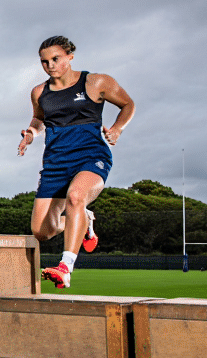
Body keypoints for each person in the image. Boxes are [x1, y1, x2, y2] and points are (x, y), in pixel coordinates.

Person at [18, 35, 134, 289]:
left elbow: (127, 104)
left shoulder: (96, 82)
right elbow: (39, 119)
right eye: (44, 61)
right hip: (55, 164)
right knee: (42, 231)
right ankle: (85, 219)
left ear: (70, 56)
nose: (50, 65)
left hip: (91, 156)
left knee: (76, 196)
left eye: (55, 59)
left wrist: (117, 129)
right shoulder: (39, 92)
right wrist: (31, 133)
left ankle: (65, 267)